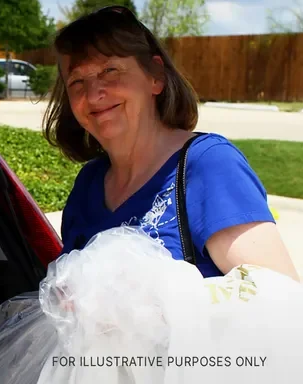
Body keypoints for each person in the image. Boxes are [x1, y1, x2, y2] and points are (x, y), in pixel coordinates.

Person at [42, 5, 299, 281]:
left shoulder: (208, 166)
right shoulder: (88, 186)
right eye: (77, 81)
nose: (94, 95)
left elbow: (276, 301)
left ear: (156, 77)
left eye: (110, 70)